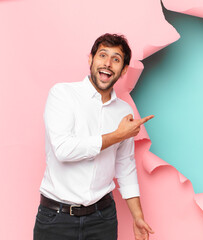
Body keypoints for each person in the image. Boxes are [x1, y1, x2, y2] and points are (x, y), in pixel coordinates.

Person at [33, 33, 154, 240]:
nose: (107, 63)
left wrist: (137, 216)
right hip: (56, 218)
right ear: (91, 59)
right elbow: (63, 150)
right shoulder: (62, 94)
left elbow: (125, 165)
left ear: (123, 70)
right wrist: (117, 135)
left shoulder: (124, 112)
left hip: (102, 218)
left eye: (116, 59)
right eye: (102, 55)